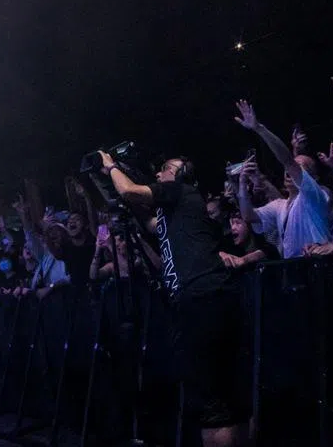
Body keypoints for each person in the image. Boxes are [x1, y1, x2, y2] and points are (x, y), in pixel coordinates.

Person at [97, 152, 250, 447]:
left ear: (180, 176)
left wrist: (111, 166)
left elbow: (131, 191)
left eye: (166, 169)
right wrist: (104, 183)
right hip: (211, 298)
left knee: (211, 403)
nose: (159, 175)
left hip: (199, 300)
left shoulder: (180, 191)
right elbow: (149, 221)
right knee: (226, 397)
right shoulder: (177, 212)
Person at [233, 101, 331, 258]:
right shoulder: (280, 206)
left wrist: (259, 129)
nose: (290, 172)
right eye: (291, 169)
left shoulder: (315, 196)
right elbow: (248, 216)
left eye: (301, 169)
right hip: (294, 272)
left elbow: (288, 161)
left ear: (313, 178)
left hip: (318, 265)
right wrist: (243, 183)